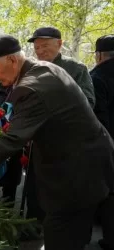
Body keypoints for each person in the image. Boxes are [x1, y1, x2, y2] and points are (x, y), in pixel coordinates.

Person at [0, 35, 114, 250]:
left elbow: (12, 139)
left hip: (75, 175)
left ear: (13, 61)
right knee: (78, 233)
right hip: (93, 162)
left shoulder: (31, 87)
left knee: (62, 237)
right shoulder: (45, 68)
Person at [28, 27, 95, 108]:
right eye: (37, 48)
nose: (40, 51)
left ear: (59, 44)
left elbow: (88, 102)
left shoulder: (76, 68)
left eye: (45, 46)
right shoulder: (32, 71)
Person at [91, 34, 114, 250]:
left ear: (99, 55)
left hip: (109, 144)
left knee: (109, 193)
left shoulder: (96, 77)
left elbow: (99, 116)